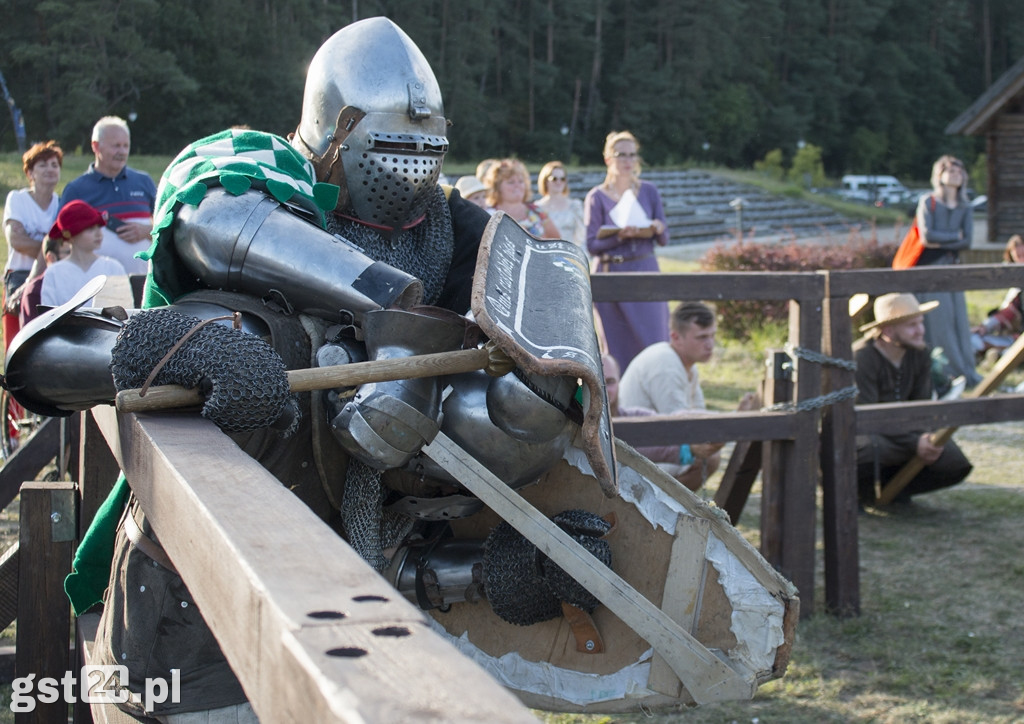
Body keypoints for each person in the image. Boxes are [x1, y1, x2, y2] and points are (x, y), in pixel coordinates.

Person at [14, 19, 605, 722]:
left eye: (427, 150)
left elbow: (385, 511)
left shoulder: (454, 243)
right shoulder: (251, 217)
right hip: (184, 638)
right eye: (389, 147)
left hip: (351, 645)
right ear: (334, 130)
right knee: (251, 340)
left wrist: (488, 571)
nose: (408, 170)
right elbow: (42, 358)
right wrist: (164, 349)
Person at [618, 301, 759, 491]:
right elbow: (684, 429)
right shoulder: (665, 364)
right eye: (701, 337)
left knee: (706, 453)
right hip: (632, 459)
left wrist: (735, 417)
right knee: (707, 458)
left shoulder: (685, 364)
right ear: (676, 337)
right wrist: (736, 419)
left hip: (651, 449)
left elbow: (697, 417)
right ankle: (658, 513)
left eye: (712, 336)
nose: (710, 344)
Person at [854, 293, 972, 506]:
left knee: (954, 461)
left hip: (906, 434)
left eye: (920, 323)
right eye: (911, 325)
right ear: (888, 330)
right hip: (866, 433)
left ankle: (895, 490)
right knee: (869, 450)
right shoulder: (862, 358)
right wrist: (914, 442)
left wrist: (926, 438)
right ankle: (856, 495)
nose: (920, 331)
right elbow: (866, 415)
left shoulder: (920, 354)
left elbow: (922, 405)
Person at [584, 130, 670, 371]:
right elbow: (592, 245)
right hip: (611, 271)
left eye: (632, 155)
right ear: (608, 158)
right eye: (621, 154)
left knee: (656, 340)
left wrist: (656, 227)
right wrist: (619, 235)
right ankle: (618, 402)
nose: (627, 160)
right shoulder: (596, 197)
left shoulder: (649, 191)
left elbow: (664, 238)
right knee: (616, 346)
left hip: (645, 267)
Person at [59, 116, 157, 275]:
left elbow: (168, 226)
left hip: (144, 283)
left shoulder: (144, 182)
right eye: (116, 146)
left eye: (126, 146)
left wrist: (147, 230)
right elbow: (60, 238)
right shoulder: (76, 190)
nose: (122, 152)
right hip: (96, 284)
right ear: (96, 146)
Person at [915, 155, 982, 387]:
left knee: (958, 321)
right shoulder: (928, 202)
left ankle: (965, 371)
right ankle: (944, 373)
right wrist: (955, 236)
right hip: (930, 269)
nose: (956, 175)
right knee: (938, 321)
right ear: (940, 175)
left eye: (959, 171)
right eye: (950, 170)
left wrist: (945, 240)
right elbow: (927, 237)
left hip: (953, 268)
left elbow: (968, 242)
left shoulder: (965, 206)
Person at [2, 140, 62, 348]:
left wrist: (35, 242)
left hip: (51, 275)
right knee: (17, 341)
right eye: (43, 165)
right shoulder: (17, 199)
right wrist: (50, 245)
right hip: (19, 274)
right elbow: (16, 241)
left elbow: (65, 249)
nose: (50, 169)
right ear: (30, 173)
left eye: (54, 165)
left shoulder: (61, 204)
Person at [40, 200, 127, 308]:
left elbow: (124, 311)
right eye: (90, 229)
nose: (98, 233)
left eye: (98, 227)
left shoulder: (113, 268)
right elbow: (49, 315)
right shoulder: (54, 273)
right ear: (70, 235)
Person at [483, 158, 560, 239]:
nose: (517, 185)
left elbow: (558, 241)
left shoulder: (538, 212)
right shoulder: (489, 215)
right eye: (511, 182)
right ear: (497, 187)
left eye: (521, 181)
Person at [19, 235, 70, 327]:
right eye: (68, 253)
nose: (73, 258)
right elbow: (35, 335)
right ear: (51, 258)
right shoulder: (35, 290)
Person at [537, 161, 585, 251]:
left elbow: (582, 236)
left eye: (562, 179)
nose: (559, 182)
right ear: (545, 181)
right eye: (554, 179)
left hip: (570, 255)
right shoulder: (537, 208)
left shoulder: (575, 205)